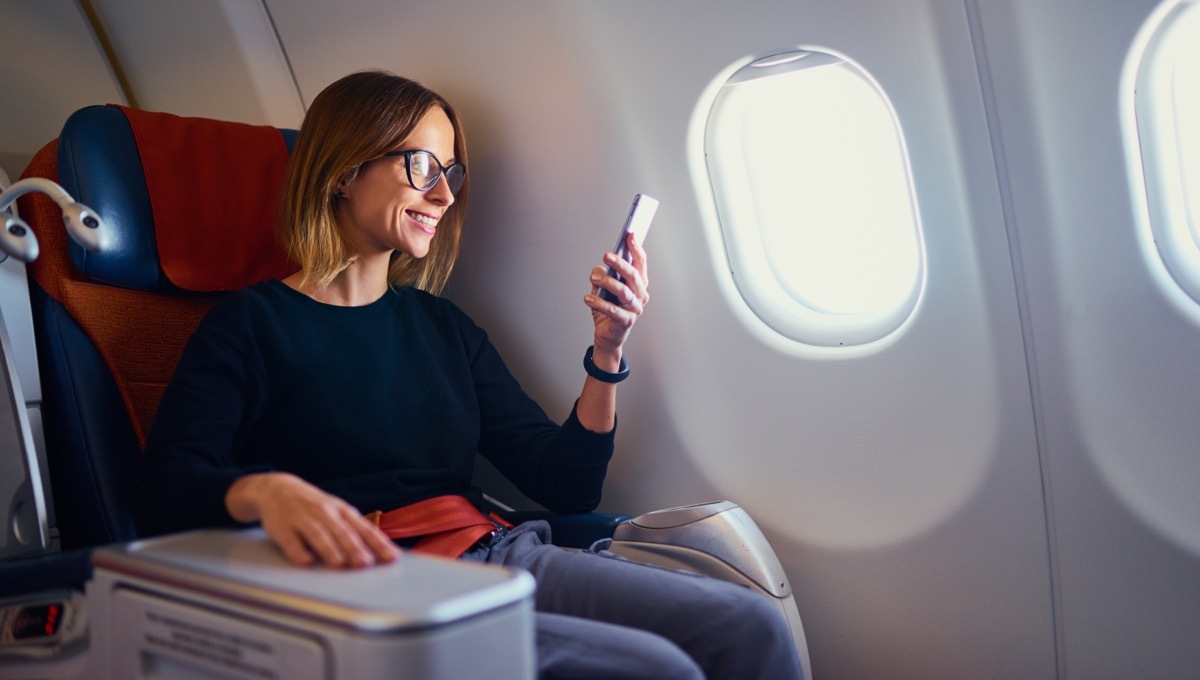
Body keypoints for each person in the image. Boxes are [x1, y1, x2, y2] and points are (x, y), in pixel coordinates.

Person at [132, 70, 804, 679]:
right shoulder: (250, 325)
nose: (444, 194)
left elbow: (565, 484)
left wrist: (607, 349)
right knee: (658, 671)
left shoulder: (442, 328)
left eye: (451, 172)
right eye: (421, 164)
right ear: (341, 172)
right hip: (370, 581)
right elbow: (164, 489)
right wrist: (264, 493)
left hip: (495, 551)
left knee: (747, 625)